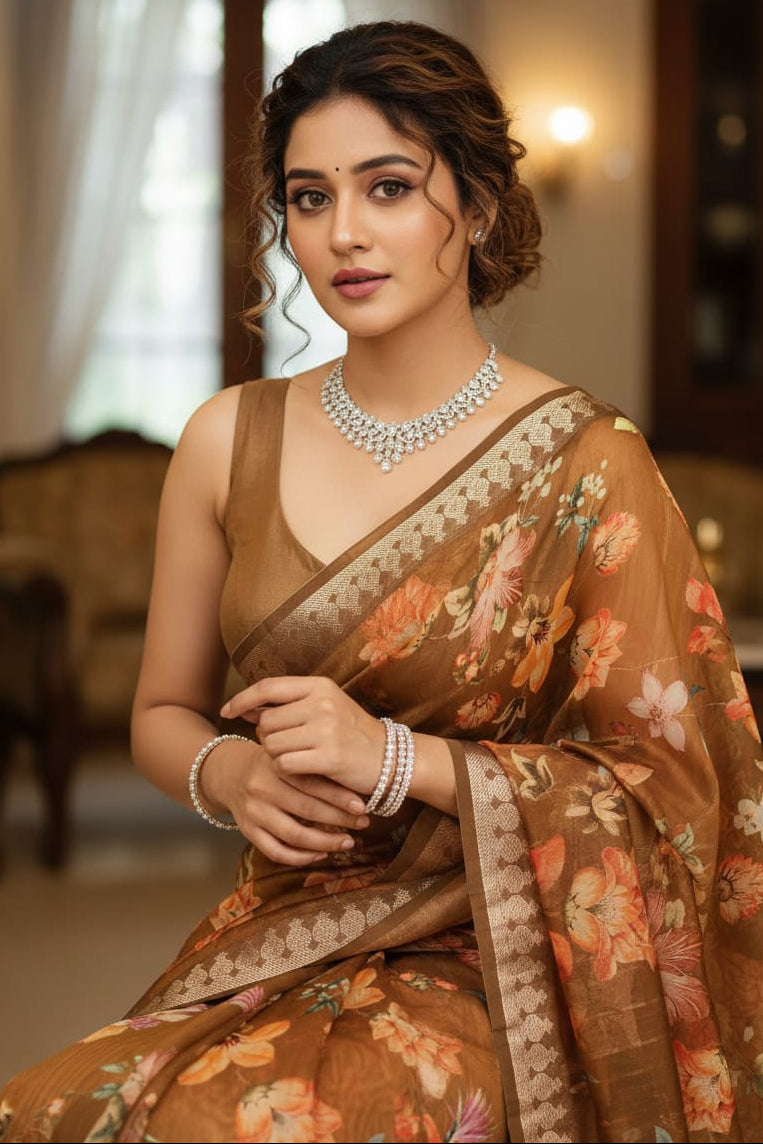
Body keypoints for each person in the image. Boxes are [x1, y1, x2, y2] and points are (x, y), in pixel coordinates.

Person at [2, 18, 762, 1144]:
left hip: (504, 957)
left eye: (389, 187)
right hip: (284, 925)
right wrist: (232, 771)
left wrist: (396, 758)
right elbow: (161, 712)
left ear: (480, 208)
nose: (343, 234)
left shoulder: (589, 465)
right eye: (309, 197)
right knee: (55, 1109)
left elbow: (678, 793)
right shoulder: (227, 439)